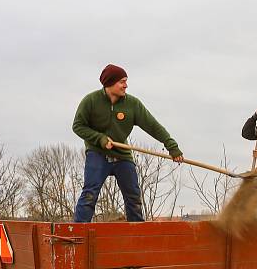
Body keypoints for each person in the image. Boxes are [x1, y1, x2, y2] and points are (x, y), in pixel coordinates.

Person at [72, 64, 184, 223]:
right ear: (109, 83)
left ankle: (137, 232)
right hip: (97, 153)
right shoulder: (90, 101)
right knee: (90, 194)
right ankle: (78, 233)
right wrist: (101, 139)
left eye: (126, 81)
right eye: (122, 81)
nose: (126, 85)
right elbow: (78, 126)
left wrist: (172, 146)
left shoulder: (132, 104)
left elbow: (153, 126)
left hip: (122, 154)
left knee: (133, 197)